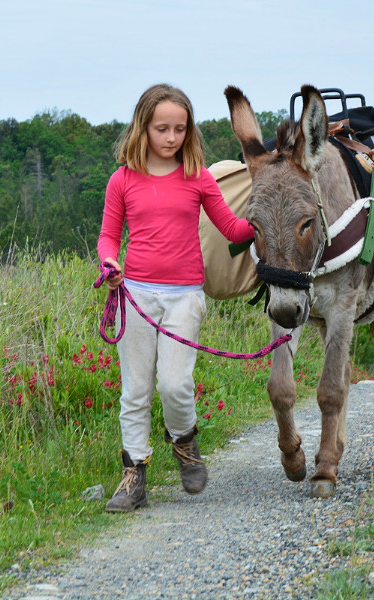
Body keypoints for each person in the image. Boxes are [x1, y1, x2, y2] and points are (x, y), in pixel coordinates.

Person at [96, 83, 255, 512]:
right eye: (161, 128)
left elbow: (233, 230)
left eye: (179, 129)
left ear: (189, 131)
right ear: (143, 127)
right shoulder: (123, 180)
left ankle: (185, 444)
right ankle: (133, 476)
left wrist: (266, 217)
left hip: (185, 296)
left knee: (176, 384)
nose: (171, 138)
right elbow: (109, 237)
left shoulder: (198, 177)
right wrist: (110, 264)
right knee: (136, 390)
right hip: (136, 297)